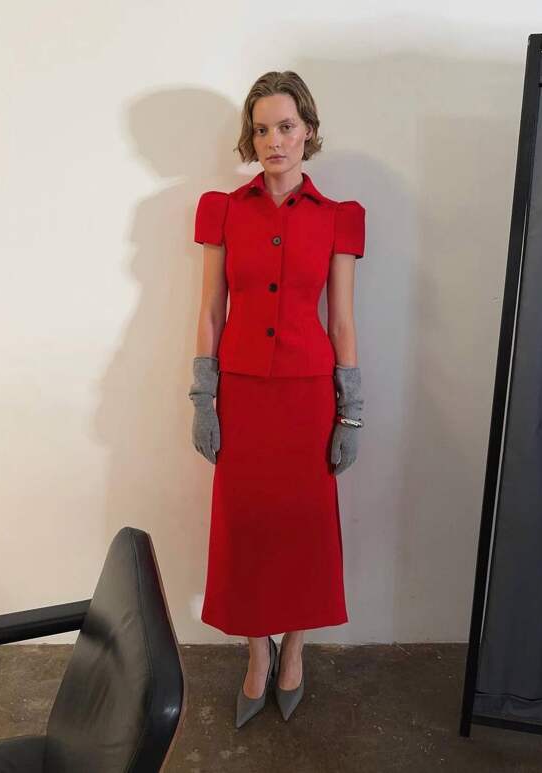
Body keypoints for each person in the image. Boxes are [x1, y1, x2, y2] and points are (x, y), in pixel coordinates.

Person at [188, 70, 366, 728]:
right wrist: (202, 398)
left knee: (302, 528)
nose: (273, 141)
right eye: (261, 129)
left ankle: (294, 646)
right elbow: (211, 310)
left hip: (307, 398)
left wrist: (350, 412)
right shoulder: (223, 210)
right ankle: (256, 651)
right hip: (241, 397)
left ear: (308, 130)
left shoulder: (339, 218)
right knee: (248, 528)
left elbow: (341, 321)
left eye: (286, 126)